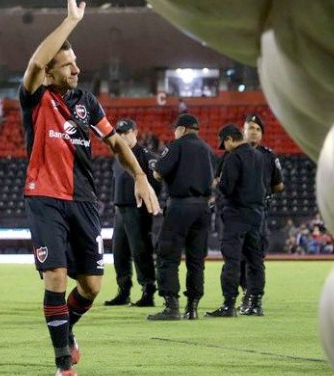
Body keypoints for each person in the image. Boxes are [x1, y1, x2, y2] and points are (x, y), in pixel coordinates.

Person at [19, 0, 159, 376]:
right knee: (57, 277)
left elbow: (115, 142)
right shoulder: (36, 97)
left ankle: (67, 330)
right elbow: (33, 65)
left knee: (93, 287)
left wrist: (140, 176)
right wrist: (70, 21)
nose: (77, 70)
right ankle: (63, 360)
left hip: (83, 200)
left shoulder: (86, 101)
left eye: (77, 64)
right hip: (44, 196)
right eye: (68, 65)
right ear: (50, 72)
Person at [147, 113, 215, 321]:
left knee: (168, 255)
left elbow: (158, 172)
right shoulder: (208, 150)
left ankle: (171, 306)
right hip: (203, 208)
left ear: (183, 129)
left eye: (175, 129)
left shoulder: (176, 146)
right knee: (196, 259)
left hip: (180, 205)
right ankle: (192, 307)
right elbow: (214, 182)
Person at [205, 124, 266, 318]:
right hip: (256, 214)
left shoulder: (233, 157)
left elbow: (227, 188)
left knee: (232, 260)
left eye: (225, 143)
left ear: (230, 139)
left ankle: (229, 304)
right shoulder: (260, 156)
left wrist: (217, 185)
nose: (225, 147)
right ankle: (255, 303)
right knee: (255, 260)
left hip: (236, 214)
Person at [103, 118, 160, 308]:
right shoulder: (118, 156)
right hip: (120, 210)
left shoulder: (146, 156)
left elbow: (156, 184)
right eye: (118, 133)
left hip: (138, 210)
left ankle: (148, 291)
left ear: (135, 132)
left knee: (140, 251)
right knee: (119, 253)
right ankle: (124, 291)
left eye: (125, 132)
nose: (121, 136)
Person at [237, 114, 284, 314]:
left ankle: (254, 298)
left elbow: (278, 185)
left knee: (255, 256)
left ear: (262, 134)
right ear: (243, 132)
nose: (254, 131)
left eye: (257, 128)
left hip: (258, 212)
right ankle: (246, 292)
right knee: (237, 256)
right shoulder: (235, 154)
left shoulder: (269, 156)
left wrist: (259, 194)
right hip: (237, 212)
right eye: (250, 128)